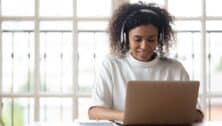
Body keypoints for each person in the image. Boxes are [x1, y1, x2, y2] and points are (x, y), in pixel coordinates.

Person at [88, 1, 204, 122]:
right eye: (137, 39)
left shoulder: (175, 68)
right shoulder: (111, 65)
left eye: (151, 39)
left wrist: (163, 116)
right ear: (125, 38)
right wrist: (130, 116)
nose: (144, 46)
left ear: (159, 39)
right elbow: (94, 112)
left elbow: (198, 115)